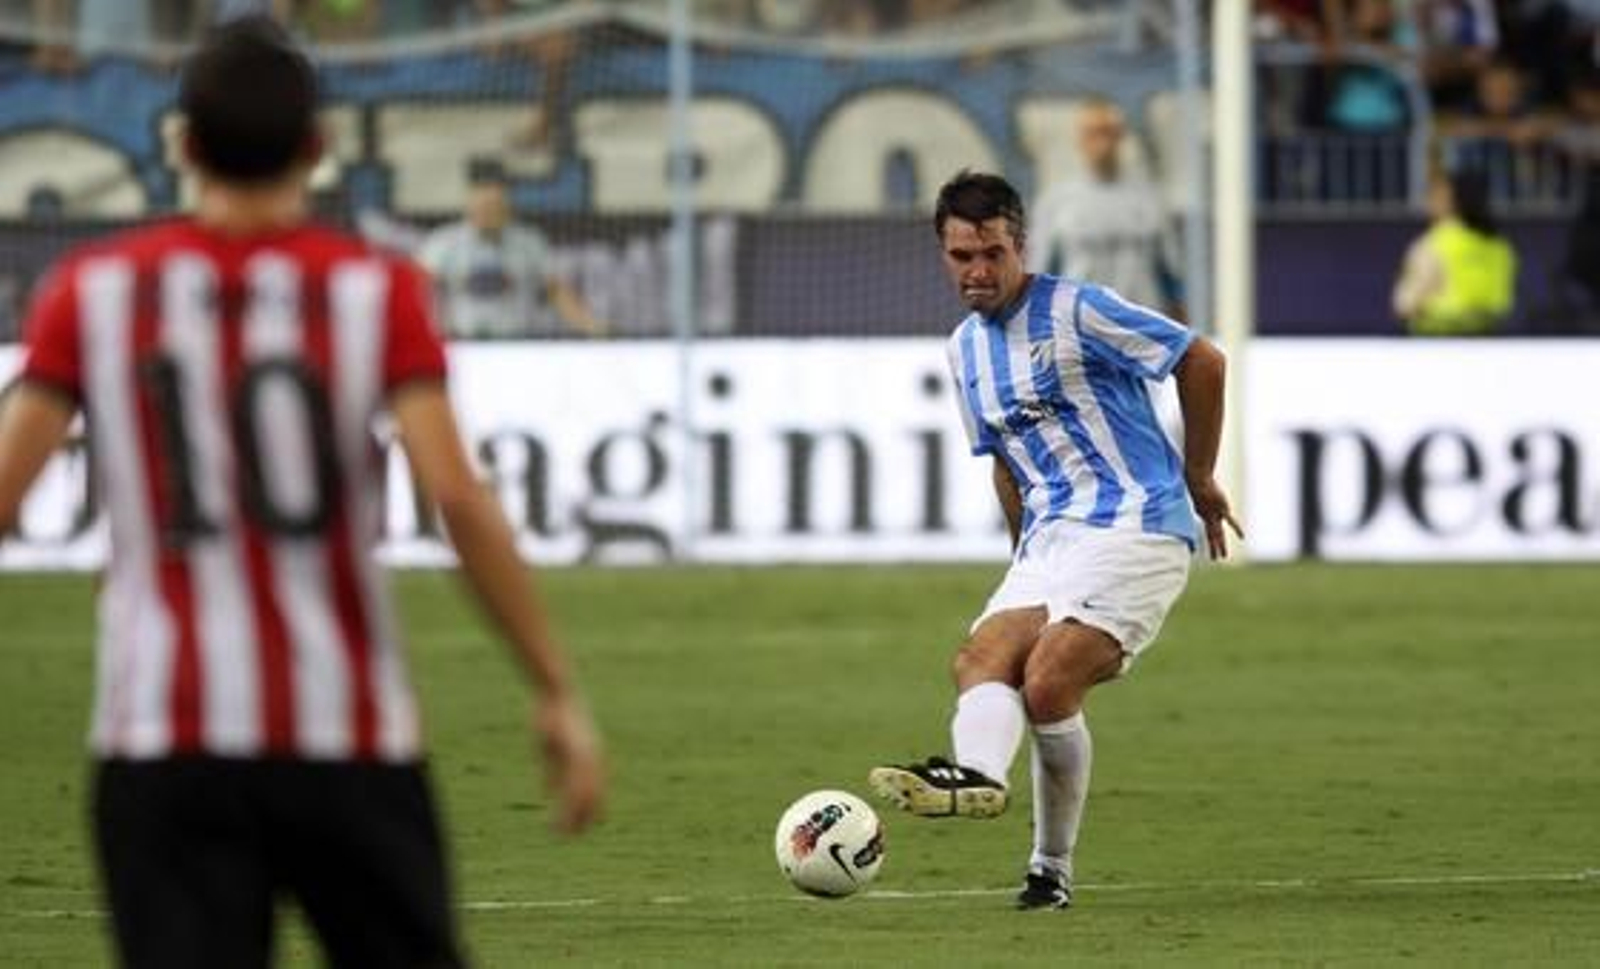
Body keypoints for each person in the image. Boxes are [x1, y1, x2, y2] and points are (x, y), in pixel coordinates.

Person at [0, 18, 603, 968]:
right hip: (346, 734)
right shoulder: (376, 289)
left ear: (184, 147)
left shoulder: (91, 292)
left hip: (160, 736)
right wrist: (555, 687)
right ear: (318, 149)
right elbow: (456, 494)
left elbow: (2, 493)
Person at [868, 170, 1240, 911]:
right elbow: (1004, 461)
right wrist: (1022, 560)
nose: (977, 271)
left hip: (1137, 522)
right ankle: (976, 776)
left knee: (1047, 681)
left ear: (1019, 245)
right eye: (961, 255)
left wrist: (1200, 477)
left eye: (992, 253)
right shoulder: (964, 351)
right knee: (979, 657)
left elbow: (1203, 359)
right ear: (943, 253)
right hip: (1052, 537)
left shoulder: (1077, 310)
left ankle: (1050, 868)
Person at [1028, 97, 1185, 320]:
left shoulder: (1151, 198)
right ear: (1080, 139)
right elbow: (1040, 278)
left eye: (1108, 132)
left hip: (1142, 330)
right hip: (1082, 330)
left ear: (1120, 136)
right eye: (1093, 133)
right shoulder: (1056, 201)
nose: (1102, 142)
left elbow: (1171, 275)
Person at [418, 158, 606, 339]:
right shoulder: (443, 242)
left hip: (515, 345)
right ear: (470, 205)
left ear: (508, 206)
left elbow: (556, 292)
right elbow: (419, 289)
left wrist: (591, 326)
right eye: (484, 207)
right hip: (462, 344)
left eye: (496, 206)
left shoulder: (529, 242)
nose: (490, 213)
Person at [1391, 166, 1517, 335]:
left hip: (1438, 340)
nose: (1428, 201)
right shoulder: (1500, 247)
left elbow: (1405, 304)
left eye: (1434, 196)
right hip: (1488, 339)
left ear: (1450, 200)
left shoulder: (1434, 243)